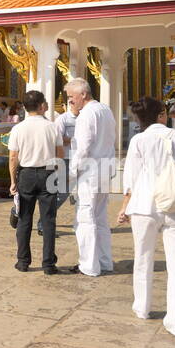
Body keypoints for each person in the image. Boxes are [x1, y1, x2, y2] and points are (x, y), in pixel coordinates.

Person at [116, 96, 175, 339]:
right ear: (161, 115)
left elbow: (131, 179)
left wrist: (124, 207)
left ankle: (142, 307)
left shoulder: (138, 140)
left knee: (143, 258)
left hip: (144, 206)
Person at [8, 90, 67, 274]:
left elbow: (13, 157)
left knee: (24, 219)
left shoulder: (18, 128)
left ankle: (23, 261)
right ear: (42, 106)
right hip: (47, 173)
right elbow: (60, 154)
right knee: (48, 219)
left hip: (26, 174)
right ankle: (48, 264)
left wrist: (13, 181)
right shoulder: (52, 127)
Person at [66, 78, 116, 277]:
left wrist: (71, 173)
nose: (70, 101)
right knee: (100, 217)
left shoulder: (87, 114)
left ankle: (88, 265)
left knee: (85, 218)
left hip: (90, 172)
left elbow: (82, 148)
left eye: (72, 97)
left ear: (83, 94)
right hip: (105, 169)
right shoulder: (105, 110)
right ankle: (104, 261)